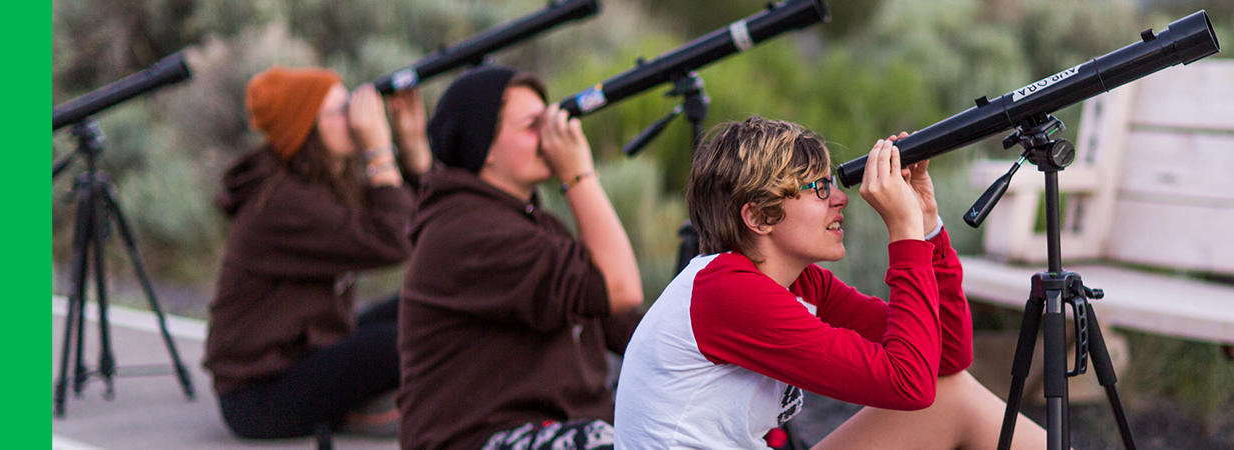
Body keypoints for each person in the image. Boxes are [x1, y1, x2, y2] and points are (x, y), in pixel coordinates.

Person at [613, 117, 1054, 450]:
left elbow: (947, 359)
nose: (841, 198)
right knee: (947, 396)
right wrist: (903, 236)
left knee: (953, 395)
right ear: (758, 216)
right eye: (819, 188)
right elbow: (909, 383)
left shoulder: (803, 285)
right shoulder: (727, 293)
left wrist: (926, 225)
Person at [399, 66, 645, 450]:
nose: (550, 138)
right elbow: (618, 288)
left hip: (552, 430)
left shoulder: (530, 223)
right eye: (534, 125)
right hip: (479, 440)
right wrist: (579, 174)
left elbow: (627, 328)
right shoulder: (467, 232)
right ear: (485, 146)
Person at [203, 66, 432, 439]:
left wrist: (414, 145)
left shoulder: (325, 181)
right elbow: (393, 239)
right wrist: (379, 151)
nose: (355, 120)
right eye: (341, 111)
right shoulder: (281, 202)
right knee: (403, 339)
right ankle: (358, 407)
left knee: (429, 307)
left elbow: (421, 226)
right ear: (305, 127)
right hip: (261, 395)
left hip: (311, 351)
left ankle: (361, 402)